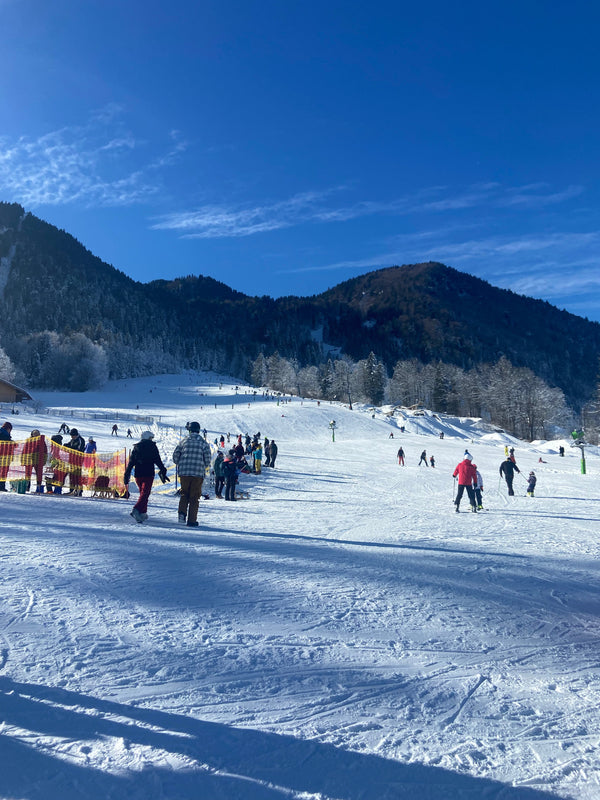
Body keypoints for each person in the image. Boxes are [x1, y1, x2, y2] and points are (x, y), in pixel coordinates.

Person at [172, 421, 212, 527]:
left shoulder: (183, 441)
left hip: (184, 473)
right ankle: (191, 520)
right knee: (194, 496)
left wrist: (180, 462)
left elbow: (175, 456)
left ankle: (182, 513)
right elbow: (208, 459)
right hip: (198, 474)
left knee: (184, 493)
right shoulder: (203, 443)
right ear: (198, 430)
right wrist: (203, 465)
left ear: (189, 430)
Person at [124, 431, 169, 523]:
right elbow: (157, 459)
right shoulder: (152, 446)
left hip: (138, 475)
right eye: (151, 438)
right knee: (145, 493)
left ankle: (142, 514)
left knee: (143, 494)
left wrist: (127, 474)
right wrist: (163, 470)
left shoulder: (136, 447)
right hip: (148, 474)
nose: (152, 440)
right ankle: (136, 510)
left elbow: (131, 462)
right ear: (148, 438)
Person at [64, 428, 86, 495]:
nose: (71, 437)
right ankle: (72, 489)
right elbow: (69, 444)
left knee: (77, 475)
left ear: (75, 435)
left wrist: (70, 449)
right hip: (72, 459)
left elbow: (79, 449)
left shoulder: (81, 440)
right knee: (72, 475)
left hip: (78, 460)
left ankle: (79, 490)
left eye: (72, 436)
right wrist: (65, 445)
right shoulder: (72, 440)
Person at [0, 421, 16, 492]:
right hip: (4, 457)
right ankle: (1, 486)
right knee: (3, 472)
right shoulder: (5, 435)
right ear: (9, 429)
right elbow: (8, 445)